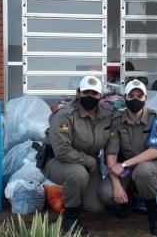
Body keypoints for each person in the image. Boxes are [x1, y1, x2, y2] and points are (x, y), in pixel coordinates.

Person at [42, 76, 113, 233]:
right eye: (85, 92)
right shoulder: (65, 115)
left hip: (89, 164)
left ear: (100, 96)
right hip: (58, 161)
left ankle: (71, 193)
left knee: (96, 208)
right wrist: (89, 161)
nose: (90, 96)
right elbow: (62, 151)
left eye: (94, 93)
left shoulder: (107, 113)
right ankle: (70, 218)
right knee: (77, 174)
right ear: (78, 93)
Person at [99, 79, 157, 236]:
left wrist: (124, 165)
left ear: (145, 98)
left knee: (143, 171)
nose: (135, 99)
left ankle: (153, 214)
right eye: (131, 96)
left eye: (139, 96)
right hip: (128, 170)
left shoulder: (155, 117)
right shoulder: (117, 122)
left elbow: (154, 152)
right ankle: (126, 200)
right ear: (125, 98)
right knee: (106, 192)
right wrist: (116, 185)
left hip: (153, 167)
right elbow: (111, 155)